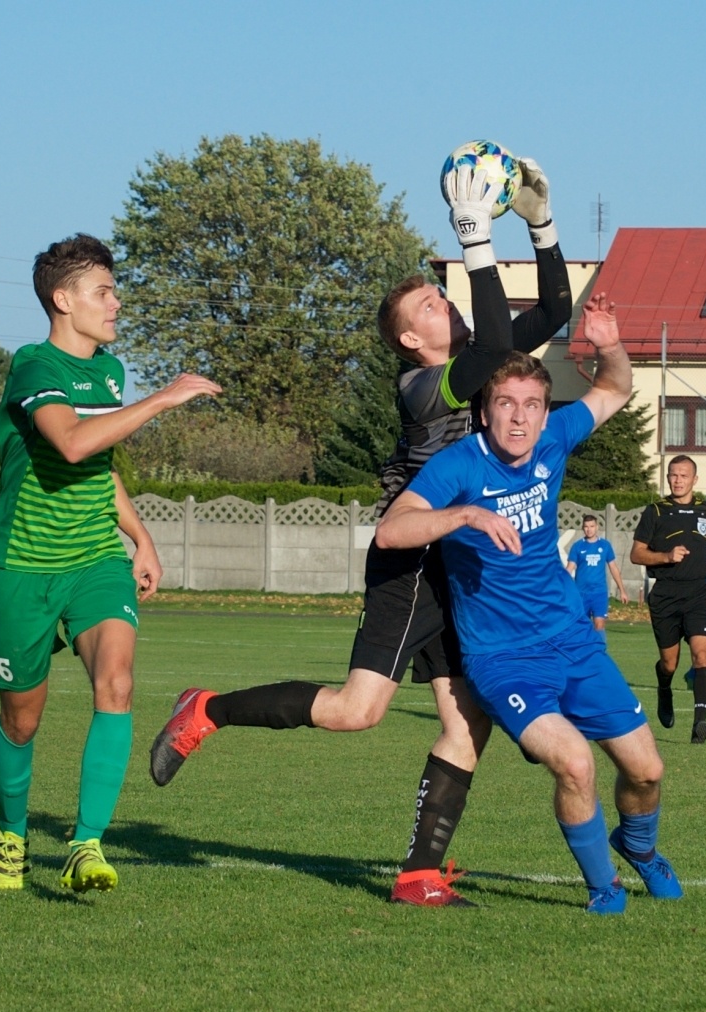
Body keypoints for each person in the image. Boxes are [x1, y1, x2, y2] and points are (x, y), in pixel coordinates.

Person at [148, 157, 573, 907]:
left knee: (466, 722)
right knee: (357, 711)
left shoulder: (470, 360)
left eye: (443, 297)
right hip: (412, 563)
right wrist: (475, 239)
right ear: (411, 342)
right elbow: (493, 342)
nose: (446, 306)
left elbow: (554, 314)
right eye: (432, 307)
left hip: (464, 566)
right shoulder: (422, 385)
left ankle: (416, 875)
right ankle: (206, 708)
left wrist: (540, 225)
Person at [377, 293, 681, 914]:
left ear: (547, 413)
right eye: (506, 404)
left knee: (646, 771)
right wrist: (462, 513)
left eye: (532, 406)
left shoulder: (554, 440)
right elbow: (391, 530)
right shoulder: (457, 465)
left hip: (572, 640)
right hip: (501, 659)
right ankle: (604, 888)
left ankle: (641, 849)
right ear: (486, 410)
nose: (519, 419)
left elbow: (616, 388)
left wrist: (610, 343)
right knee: (573, 763)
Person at [0, 233, 221, 893]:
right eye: (103, 292)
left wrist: (140, 536)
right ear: (63, 300)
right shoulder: (33, 368)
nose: (116, 304)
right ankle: (11, 835)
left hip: (95, 559)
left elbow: (100, 471)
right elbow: (73, 442)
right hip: (24, 571)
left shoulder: (109, 374)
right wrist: (164, 399)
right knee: (20, 718)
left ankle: (86, 844)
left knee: (115, 685)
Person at [630, 457, 706, 743]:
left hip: (699, 592)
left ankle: (700, 724)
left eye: (683, 475)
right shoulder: (656, 511)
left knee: (702, 654)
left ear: (694, 479)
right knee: (670, 664)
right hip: (666, 595)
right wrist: (665, 556)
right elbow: (637, 553)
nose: (677, 480)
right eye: (673, 475)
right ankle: (664, 688)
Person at [565, 514, 628, 637]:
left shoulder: (605, 545)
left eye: (592, 526)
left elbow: (613, 568)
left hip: (599, 593)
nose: (589, 529)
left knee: (599, 625)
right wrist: (562, 588)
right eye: (586, 526)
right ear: (583, 528)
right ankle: (583, 653)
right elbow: (569, 569)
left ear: (597, 527)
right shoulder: (577, 546)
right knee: (581, 627)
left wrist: (622, 590)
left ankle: (599, 653)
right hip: (581, 593)